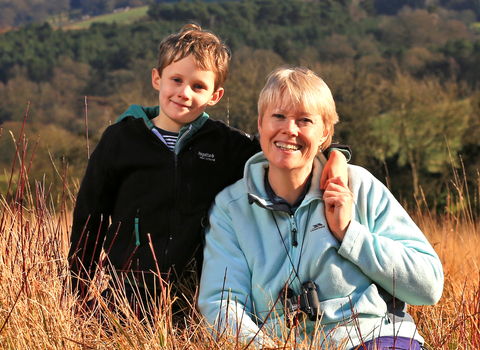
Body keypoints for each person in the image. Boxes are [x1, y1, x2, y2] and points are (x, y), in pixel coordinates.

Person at [68, 24, 350, 315]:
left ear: (215, 95)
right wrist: (77, 289)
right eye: (176, 80)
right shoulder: (120, 139)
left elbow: (283, 146)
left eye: (198, 86)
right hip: (123, 296)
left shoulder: (225, 145)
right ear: (157, 78)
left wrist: (336, 155)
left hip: (193, 302)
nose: (184, 93)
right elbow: (91, 216)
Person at [198, 67, 444, 349]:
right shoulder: (231, 208)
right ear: (261, 123)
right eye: (278, 116)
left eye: (304, 120)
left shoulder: (358, 186)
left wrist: (349, 233)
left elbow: (429, 286)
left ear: (324, 133)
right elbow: (223, 304)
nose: (289, 129)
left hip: (375, 338)